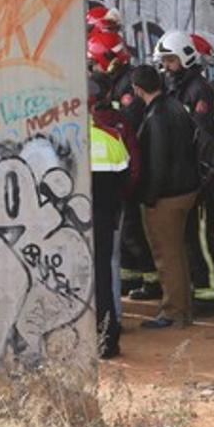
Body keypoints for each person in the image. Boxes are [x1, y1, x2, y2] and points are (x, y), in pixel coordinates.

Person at [154, 30, 214, 316]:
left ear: (184, 56)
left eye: (170, 60)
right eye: (164, 61)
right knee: (189, 238)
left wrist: (200, 175)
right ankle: (199, 288)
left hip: (202, 176)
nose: (166, 66)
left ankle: (210, 294)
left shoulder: (198, 90)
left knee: (200, 236)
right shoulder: (177, 87)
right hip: (187, 175)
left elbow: (201, 135)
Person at [88, 28, 158, 300]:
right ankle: (131, 277)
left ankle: (152, 280)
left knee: (133, 232)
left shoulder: (125, 90)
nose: (93, 67)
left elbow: (127, 132)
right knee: (126, 236)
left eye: (94, 62)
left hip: (126, 176)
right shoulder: (119, 84)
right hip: (123, 177)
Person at [131, 65, 199, 328]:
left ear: (137, 89)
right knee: (178, 252)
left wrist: (149, 196)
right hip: (186, 190)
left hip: (166, 196)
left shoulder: (155, 116)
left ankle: (173, 312)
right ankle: (183, 308)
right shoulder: (175, 106)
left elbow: (157, 161)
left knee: (166, 255)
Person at [89, 72, 141, 358]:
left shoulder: (66, 136)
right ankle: (108, 340)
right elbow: (126, 176)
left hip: (71, 222)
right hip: (107, 217)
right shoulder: (111, 138)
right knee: (105, 277)